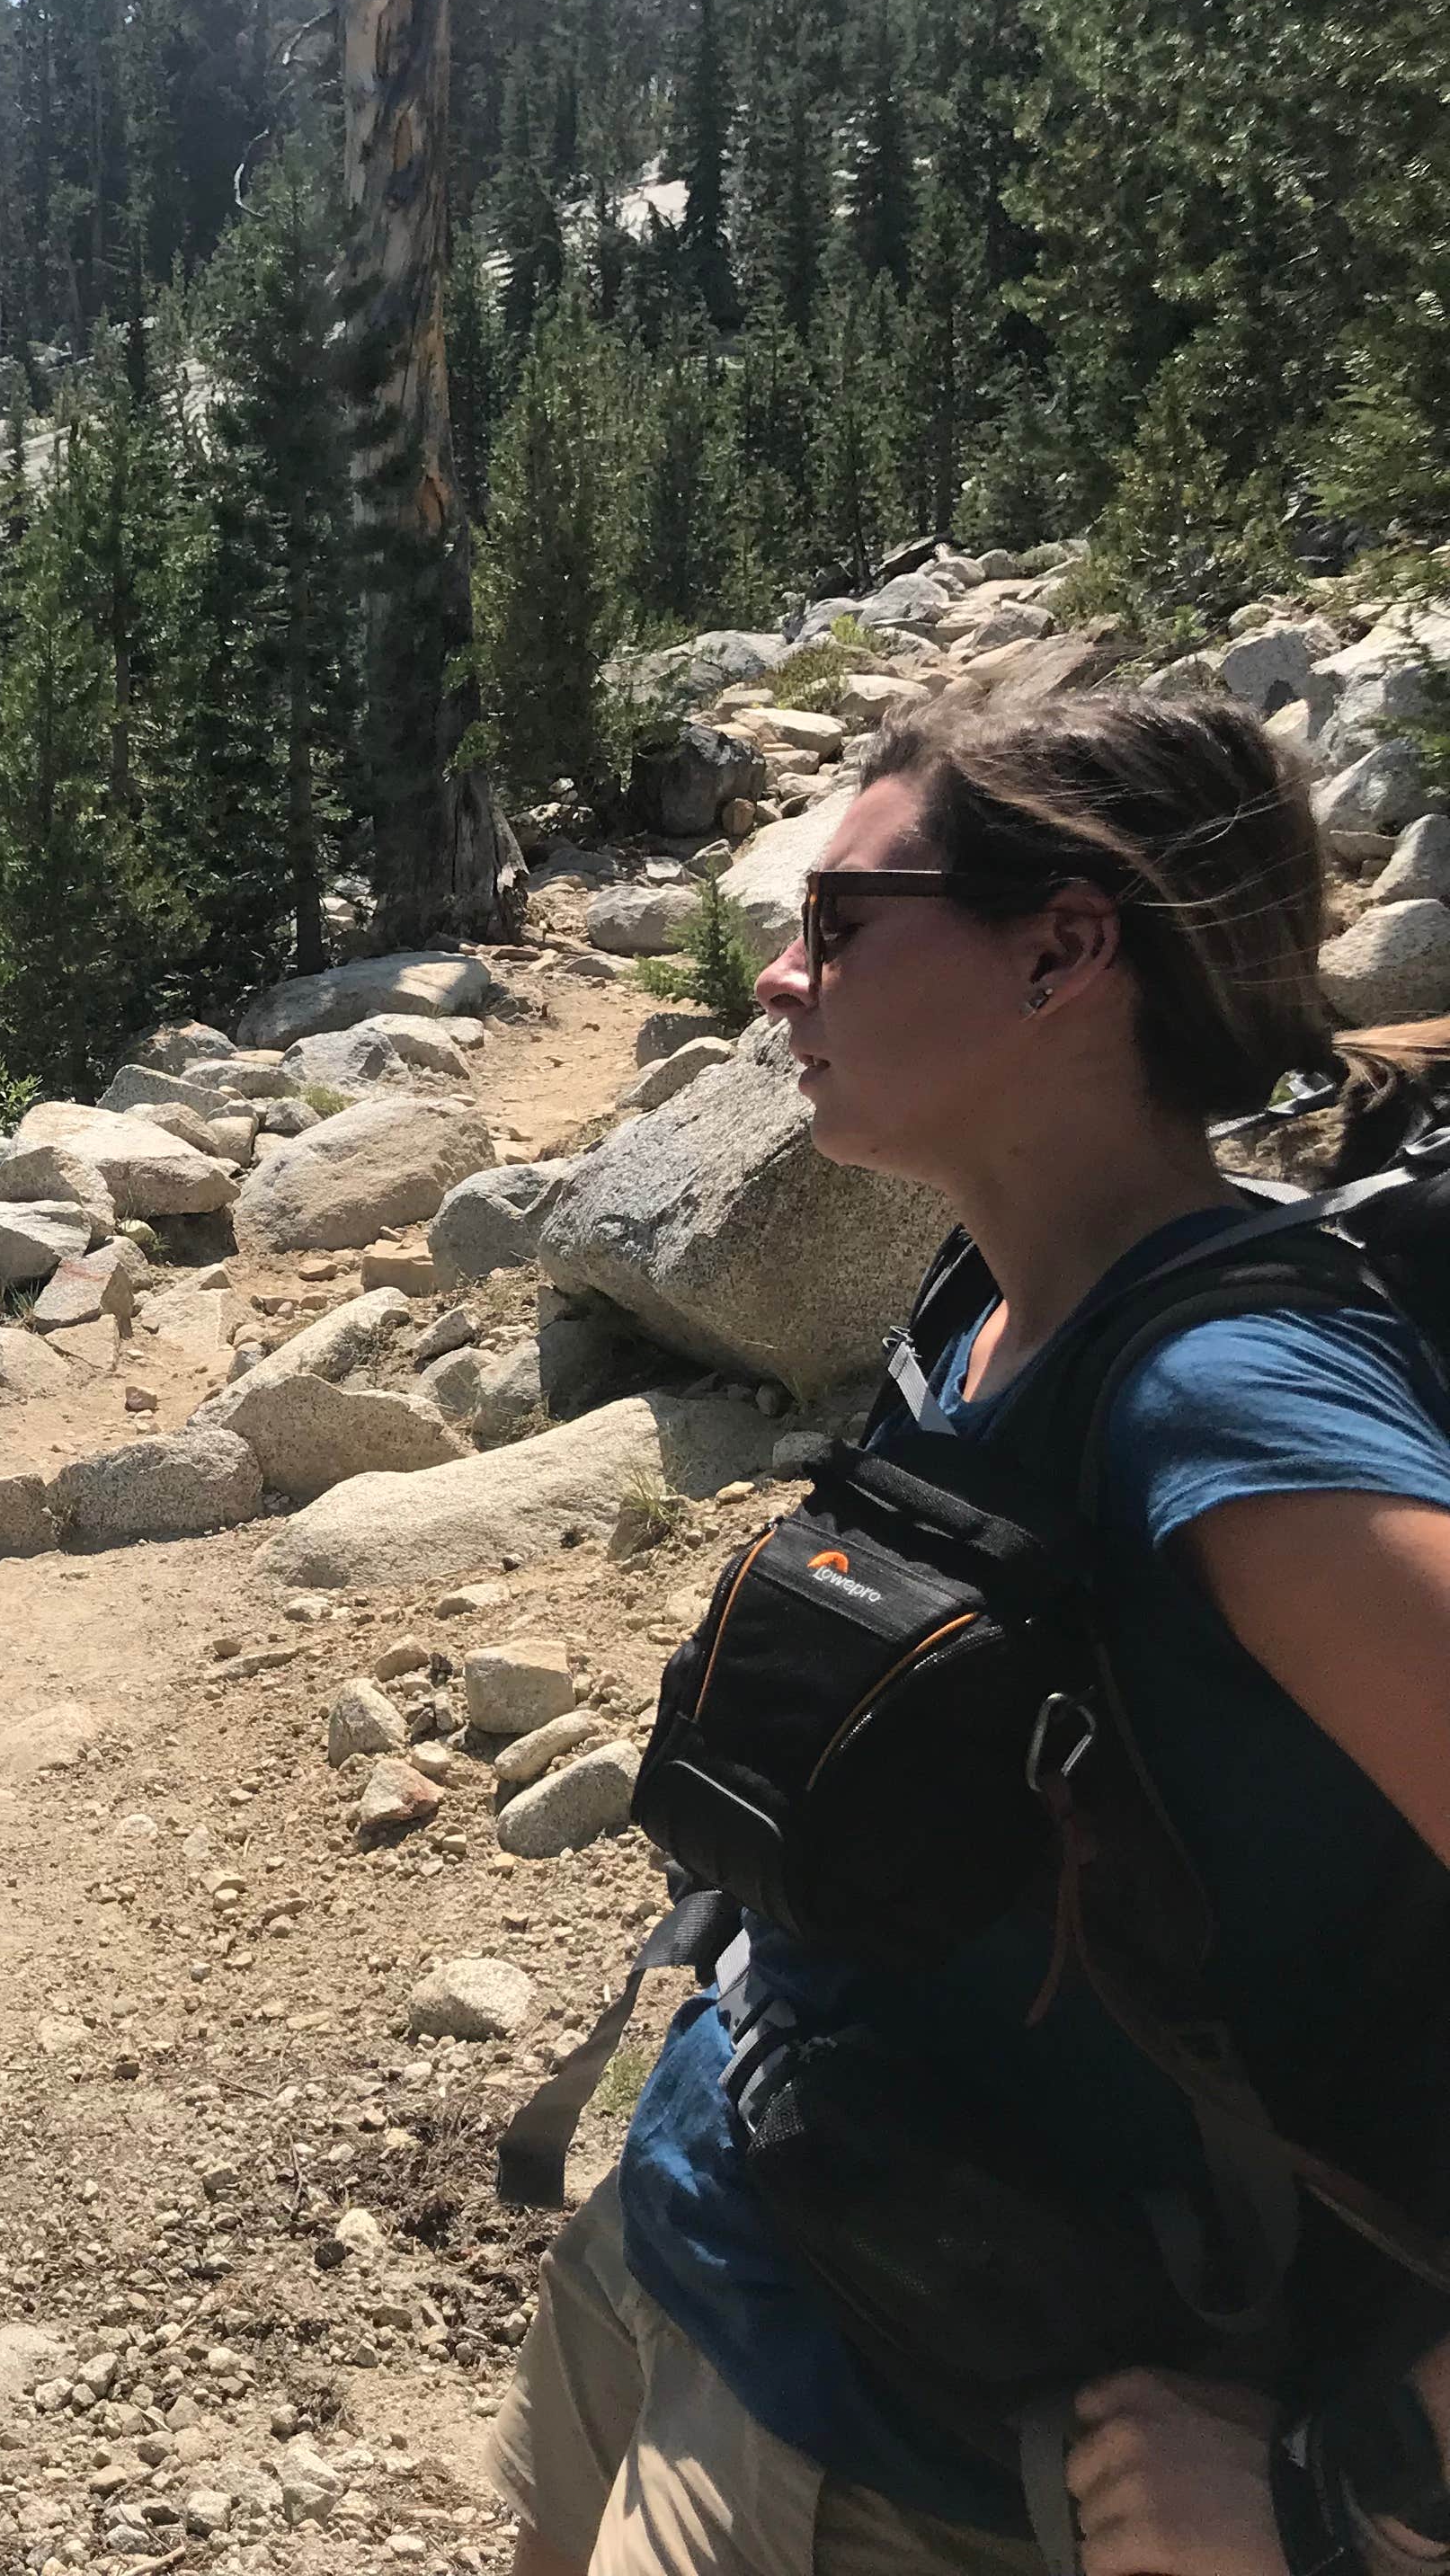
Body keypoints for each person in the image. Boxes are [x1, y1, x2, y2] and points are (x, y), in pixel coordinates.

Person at [490, 685, 1450, 2576]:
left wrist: (1371, 2470)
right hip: (707, 2266)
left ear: (1064, 951)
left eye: (838, 924)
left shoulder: (1234, 1406)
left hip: (926, 2473)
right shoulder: (984, 1290)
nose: (777, 980)